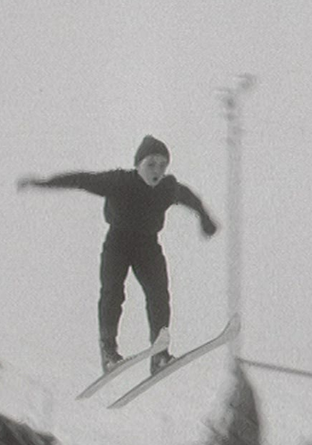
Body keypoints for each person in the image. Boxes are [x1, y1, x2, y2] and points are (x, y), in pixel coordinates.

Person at [17, 135, 218, 374]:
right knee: (113, 292)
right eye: (151, 164)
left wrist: (205, 219)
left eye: (162, 165)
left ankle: (160, 355)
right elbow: (81, 179)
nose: (157, 171)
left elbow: (191, 198)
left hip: (147, 245)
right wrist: (43, 183)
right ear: (138, 164)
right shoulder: (118, 181)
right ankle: (109, 352)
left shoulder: (167, 187)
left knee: (158, 294)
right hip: (118, 244)